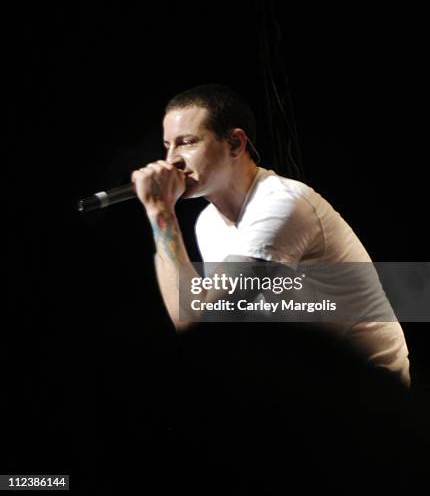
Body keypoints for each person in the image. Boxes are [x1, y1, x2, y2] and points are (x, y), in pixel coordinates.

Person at [131, 84, 410, 387]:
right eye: (167, 145)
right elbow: (220, 329)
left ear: (235, 144)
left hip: (370, 394)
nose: (171, 160)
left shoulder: (279, 205)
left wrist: (161, 214)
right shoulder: (207, 223)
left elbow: (195, 321)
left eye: (187, 143)